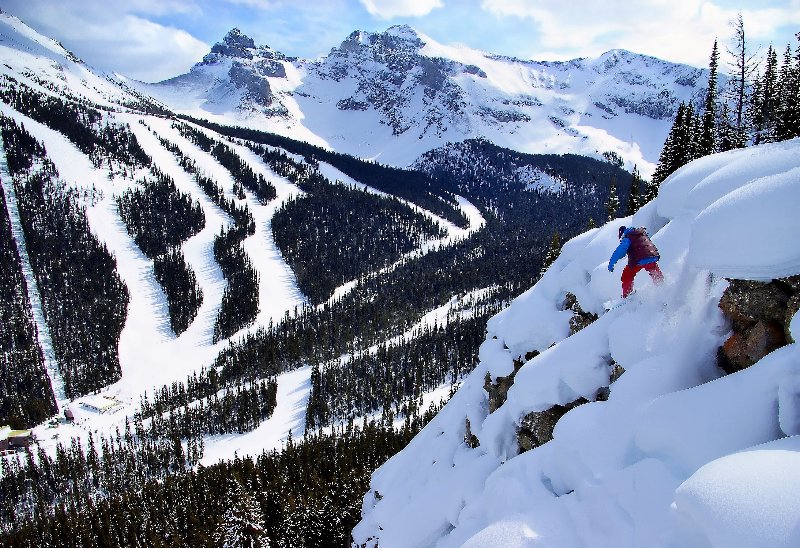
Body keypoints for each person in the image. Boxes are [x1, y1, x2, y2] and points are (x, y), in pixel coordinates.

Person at [608, 225, 664, 298]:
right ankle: (662, 287)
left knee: (627, 274)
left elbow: (619, 252)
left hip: (639, 258)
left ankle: (627, 295)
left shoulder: (628, 237)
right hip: (652, 256)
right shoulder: (641, 233)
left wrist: (611, 264)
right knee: (654, 271)